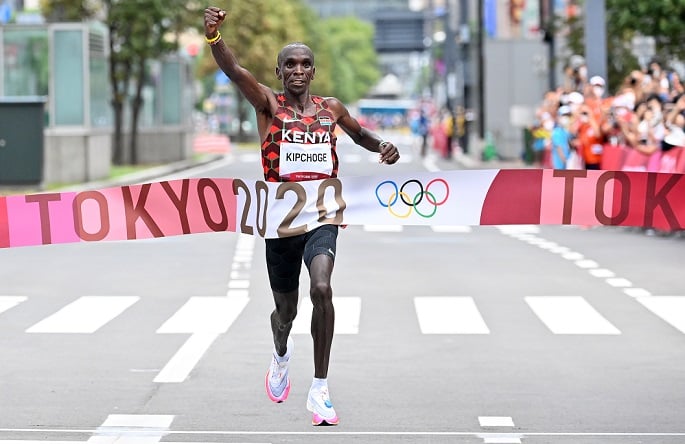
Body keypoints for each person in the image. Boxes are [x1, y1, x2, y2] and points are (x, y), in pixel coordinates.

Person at [203, 6, 400, 426]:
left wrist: (383, 145)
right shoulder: (268, 106)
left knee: (323, 288)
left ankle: (320, 388)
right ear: (278, 73)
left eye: (305, 64)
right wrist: (215, 38)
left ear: (313, 72)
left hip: (323, 216)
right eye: (289, 64)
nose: (297, 70)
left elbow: (361, 135)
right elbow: (236, 71)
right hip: (280, 223)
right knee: (286, 313)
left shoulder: (330, 109)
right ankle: (280, 353)